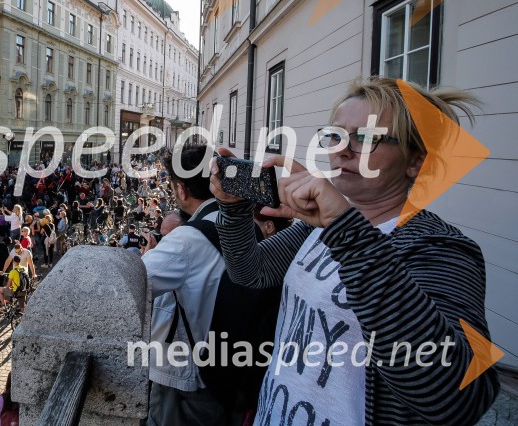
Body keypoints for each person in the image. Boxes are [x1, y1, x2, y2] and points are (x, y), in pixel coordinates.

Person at [211, 77, 500, 425]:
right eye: (335, 134)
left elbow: (458, 398)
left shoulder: (440, 249)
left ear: (415, 162)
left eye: (367, 137)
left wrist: (344, 228)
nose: (342, 150)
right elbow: (250, 271)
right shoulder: (317, 225)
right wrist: (234, 208)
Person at [141, 144, 229, 426]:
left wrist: (149, 255)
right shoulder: (240, 222)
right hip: (228, 368)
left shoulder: (186, 241)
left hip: (189, 381)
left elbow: (132, 285)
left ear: (182, 189)